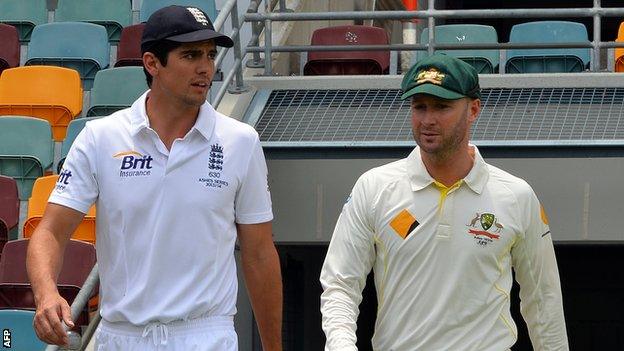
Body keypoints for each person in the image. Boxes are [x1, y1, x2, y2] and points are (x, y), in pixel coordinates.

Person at [27, 5, 282, 351]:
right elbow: (51, 232)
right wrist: (45, 295)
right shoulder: (100, 137)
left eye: (209, 54)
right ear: (152, 63)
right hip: (122, 336)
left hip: (206, 336)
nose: (205, 67)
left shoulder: (241, 141)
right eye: (190, 55)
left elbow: (259, 254)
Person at [320, 54, 569, 350]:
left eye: (442, 106)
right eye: (419, 106)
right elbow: (340, 286)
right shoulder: (374, 187)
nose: (428, 120)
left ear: (474, 109)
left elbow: (543, 298)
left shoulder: (516, 195)